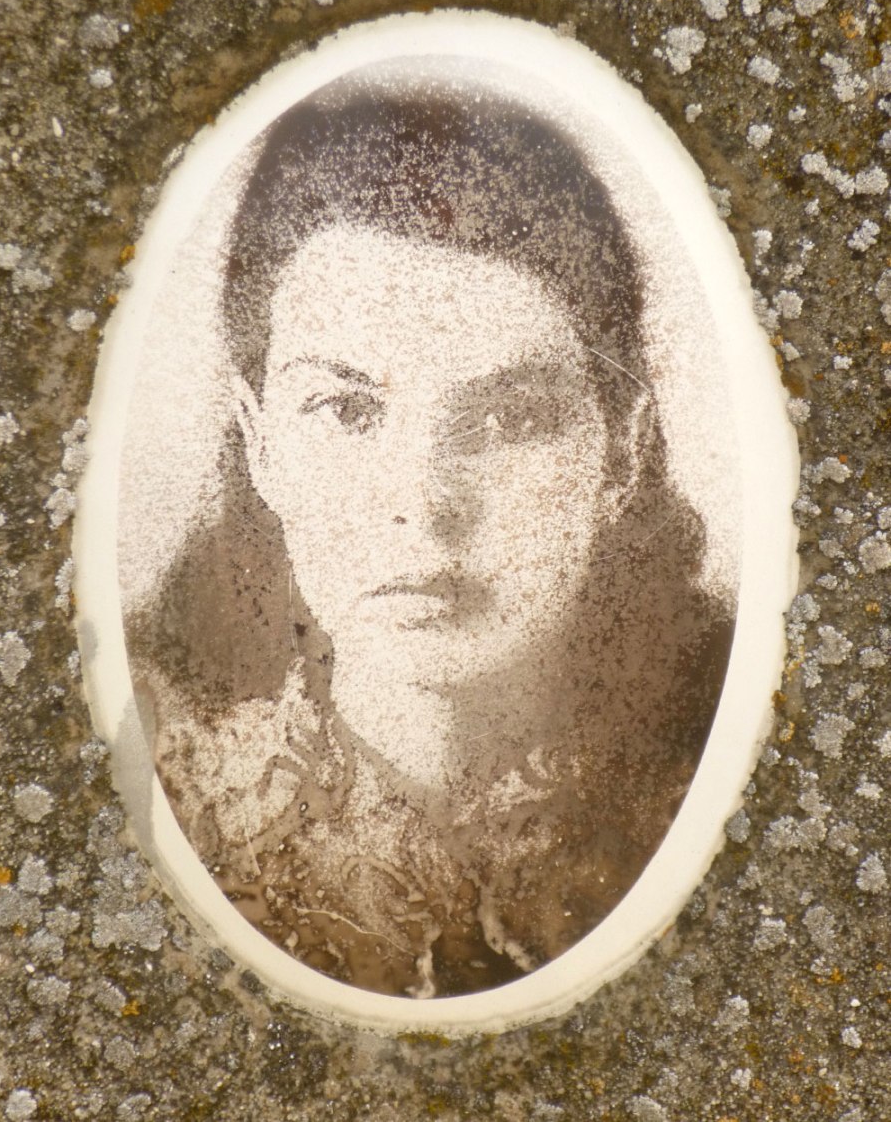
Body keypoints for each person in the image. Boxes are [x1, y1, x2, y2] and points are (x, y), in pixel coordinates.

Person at [127, 61, 735, 998]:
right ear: (261, 447)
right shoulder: (165, 801)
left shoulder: (718, 800)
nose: (423, 502)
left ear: (622, 451)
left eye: (507, 420)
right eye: (345, 411)